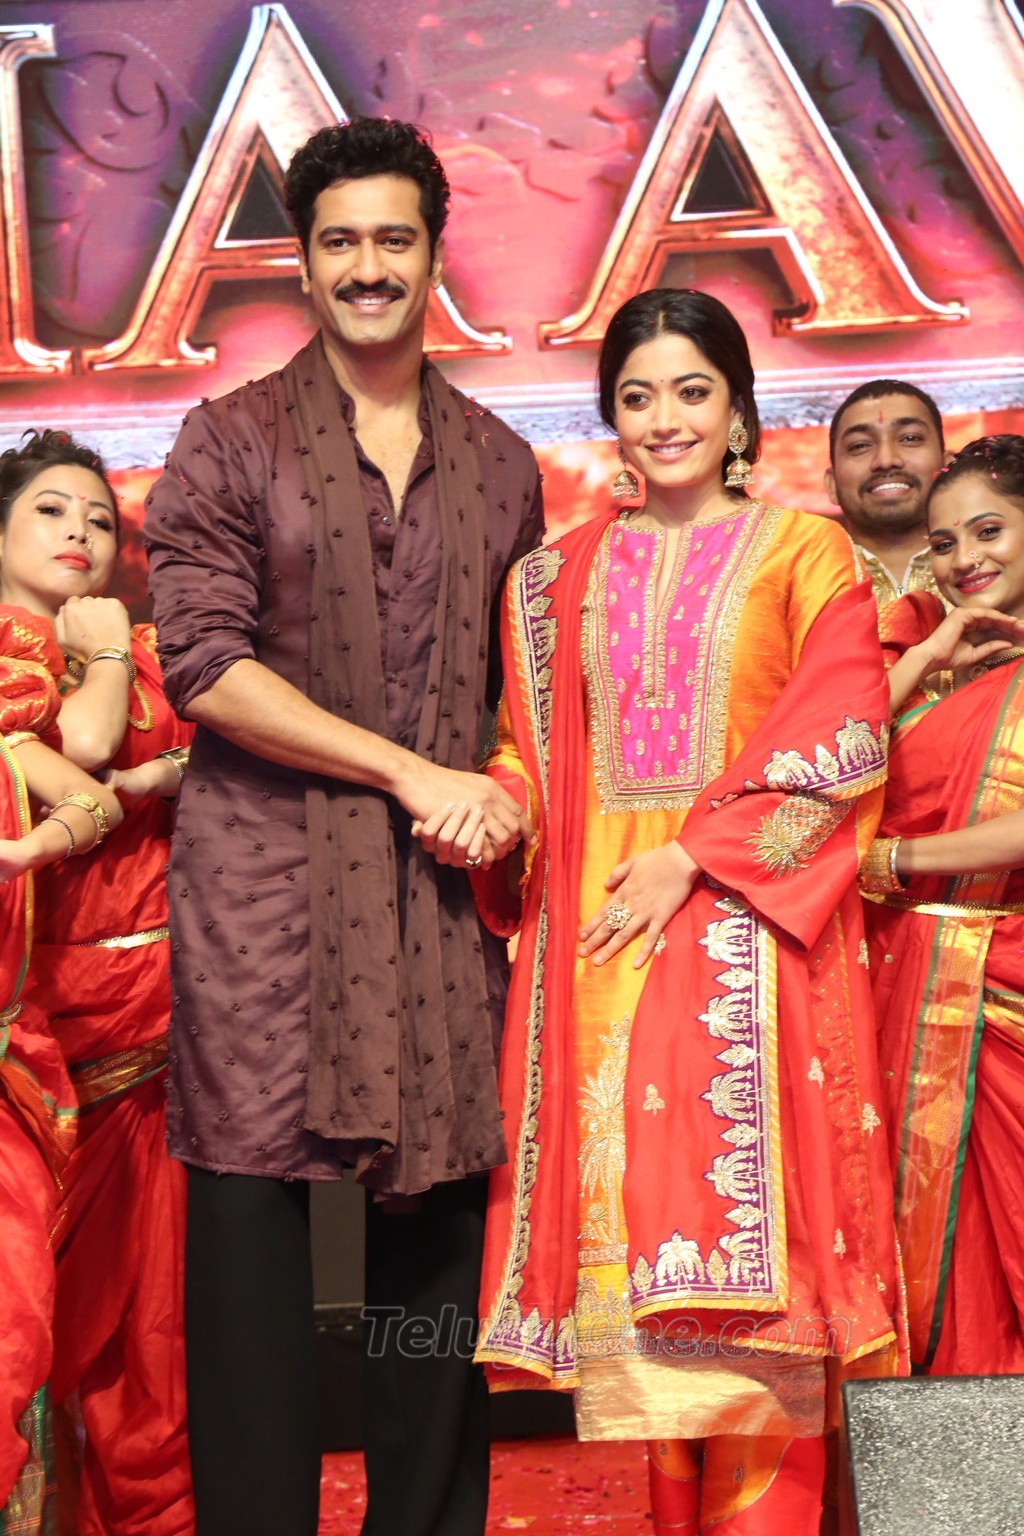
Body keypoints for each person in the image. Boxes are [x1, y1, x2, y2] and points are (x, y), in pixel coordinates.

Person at [142, 117, 543, 1536]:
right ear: (302, 265)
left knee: (431, 1245)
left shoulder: (501, 463)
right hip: (265, 900)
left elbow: (521, 693)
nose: (368, 267)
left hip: (433, 902)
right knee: (251, 1236)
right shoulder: (228, 438)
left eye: (393, 239)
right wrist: (407, 772)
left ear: (433, 257)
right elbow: (206, 667)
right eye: (340, 242)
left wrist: (499, 787)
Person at [468, 288, 902, 1536]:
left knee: (757, 1330)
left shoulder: (804, 553)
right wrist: (493, 808)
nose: (664, 419)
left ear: (739, 412)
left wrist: (693, 858)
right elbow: (531, 756)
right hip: (598, 962)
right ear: (610, 413)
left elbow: (842, 738)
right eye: (637, 395)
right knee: (647, 1355)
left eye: (691, 392)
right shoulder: (548, 582)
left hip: (748, 955)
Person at [0, 428, 194, 1536]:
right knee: (24, 1338)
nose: (80, 531)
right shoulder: (33, 657)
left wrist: (171, 762)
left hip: (157, 1047)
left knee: (150, 1353)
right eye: (50, 510)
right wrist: (110, 654)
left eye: (100, 520)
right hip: (31, 1054)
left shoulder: (156, 653)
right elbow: (79, 751)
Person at [861, 433, 1024, 1374]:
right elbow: (826, 755)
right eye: (946, 542)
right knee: (934, 1274)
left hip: (1001, 989)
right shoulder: (937, 661)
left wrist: (894, 860)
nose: (967, 559)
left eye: (989, 531)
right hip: (905, 994)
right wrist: (926, 657)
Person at [0, 629, 122, 1536]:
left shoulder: (10, 742)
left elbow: (92, 797)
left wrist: (26, 851)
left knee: (14, 1326)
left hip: (7, 1080)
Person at [825, 378, 947, 608]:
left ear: (948, 467)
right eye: (860, 445)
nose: (886, 460)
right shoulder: (801, 585)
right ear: (832, 484)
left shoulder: (994, 570)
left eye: (910, 438)